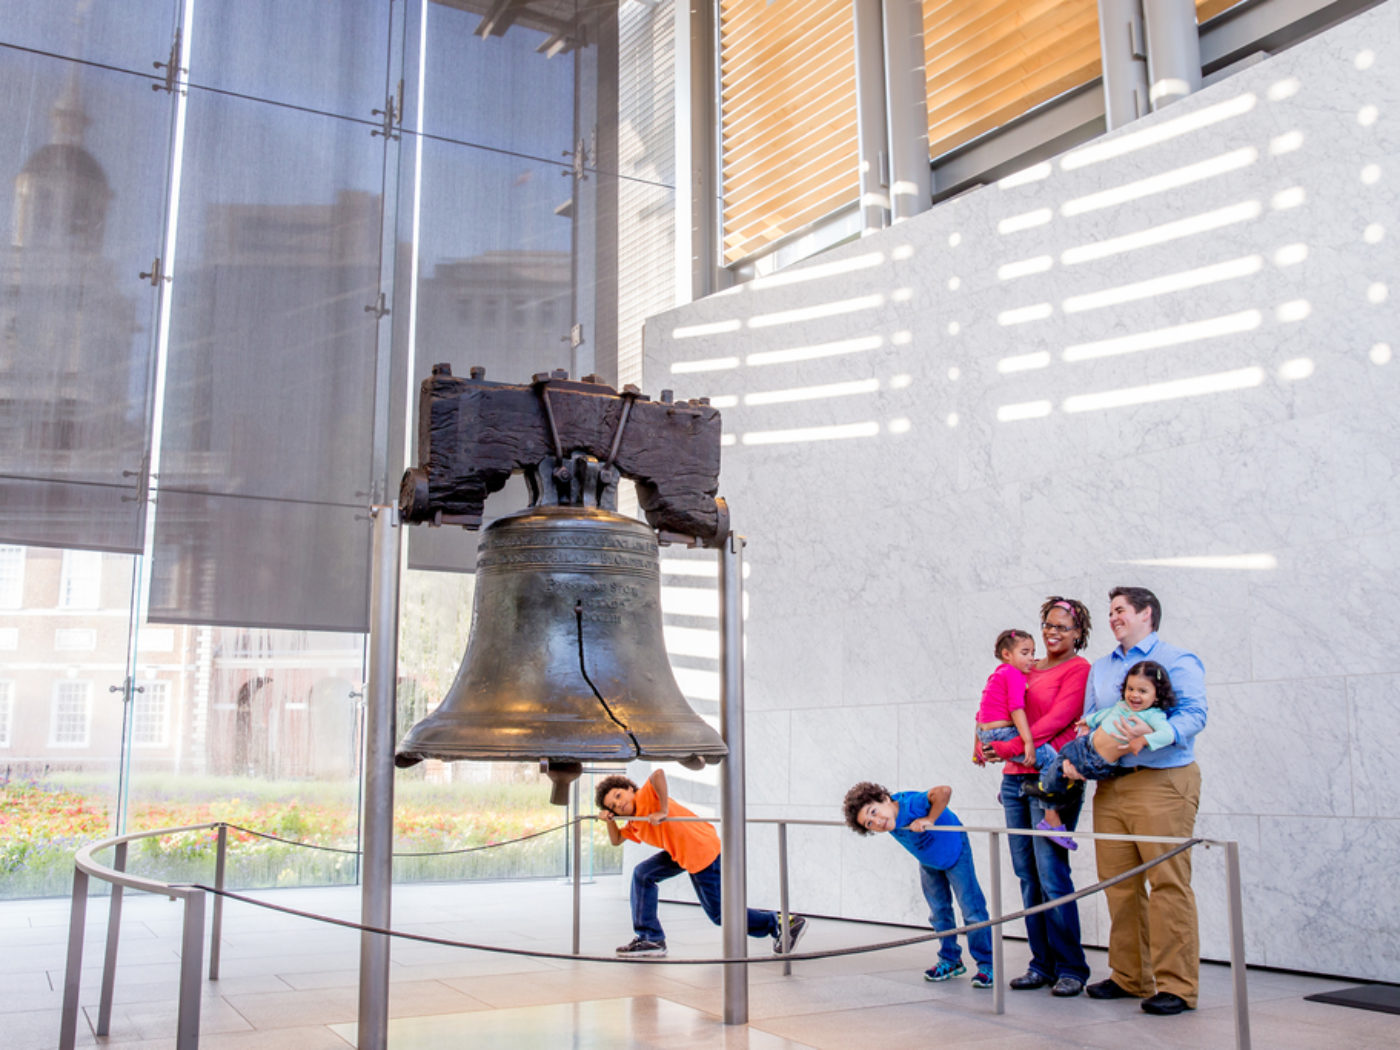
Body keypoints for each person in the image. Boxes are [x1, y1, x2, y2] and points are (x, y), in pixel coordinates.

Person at [1073, 586, 1207, 1016]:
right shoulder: (1101, 668)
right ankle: (1130, 976)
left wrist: (1149, 736)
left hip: (1162, 781)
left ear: (1147, 613)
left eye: (1121, 610)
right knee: (1119, 884)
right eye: (1110, 611)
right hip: (1111, 785)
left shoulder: (1178, 659)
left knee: (1167, 882)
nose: (1113, 617)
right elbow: (1090, 718)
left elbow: (1194, 715)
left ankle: (1177, 986)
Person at [980, 596, 1094, 997]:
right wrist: (983, 742)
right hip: (1014, 780)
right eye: (1048, 624)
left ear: (1078, 632)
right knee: (1027, 877)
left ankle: (1071, 968)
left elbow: (1057, 720)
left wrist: (1008, 746)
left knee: (1052, 875)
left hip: (1051, 781)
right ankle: (1041, 964)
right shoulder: (1023, 664)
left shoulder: (1078, 668)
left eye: (1062, 626)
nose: (1052, 632)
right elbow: (995, 704)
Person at [596, 768, 807, 957]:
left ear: (630, 789)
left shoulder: (646, 796)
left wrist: (663, 810)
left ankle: (782, 923)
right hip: (681, 852)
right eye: (614, 806)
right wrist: (609, 821)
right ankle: (650, 938)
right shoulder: (634, 823)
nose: (619, 803)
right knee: (643, 874)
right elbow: (616, 840)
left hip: (699, 849)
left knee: (719, 914)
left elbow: (658, 774)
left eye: (618, 795)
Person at [841, 782, 993, 988]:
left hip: (955, 851)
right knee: (939, 912)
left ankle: (987, 964)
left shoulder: (912, 804)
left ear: (885, 799)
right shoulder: (889, 819)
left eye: (874, 812)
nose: (877, 822)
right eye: (869, 823)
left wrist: (929, 819)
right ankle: (950, 960)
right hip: (929, 860)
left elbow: (944, 791)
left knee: (971, 909)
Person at [973, 628, 1075, 850]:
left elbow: (979, 716)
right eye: (1025, 653)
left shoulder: (996, 675)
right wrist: (1028, 742)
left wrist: (977, 749)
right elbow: (1016, 709)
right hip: (1004, 732)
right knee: (1051, 760)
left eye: (1033, 653)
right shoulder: (1014, 675)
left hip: (986, 732)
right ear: (1007, 654)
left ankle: (1010, 794)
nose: (1031, 659)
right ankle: (1051, 819)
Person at [1025, 660, 1177, 802]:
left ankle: (1048, 789)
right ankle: (1064, 786)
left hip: (1097, 761)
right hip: (1087, 744)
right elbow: (1106, 713)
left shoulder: (1153, 715)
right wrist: (1089, 720)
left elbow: (1168, 735)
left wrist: (1143, 740)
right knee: (1064, 753)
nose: (1134, 695)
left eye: (1142, 691)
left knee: (1062, 762)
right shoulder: (1123, 705)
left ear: (1157, 696)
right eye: (1130, 689)